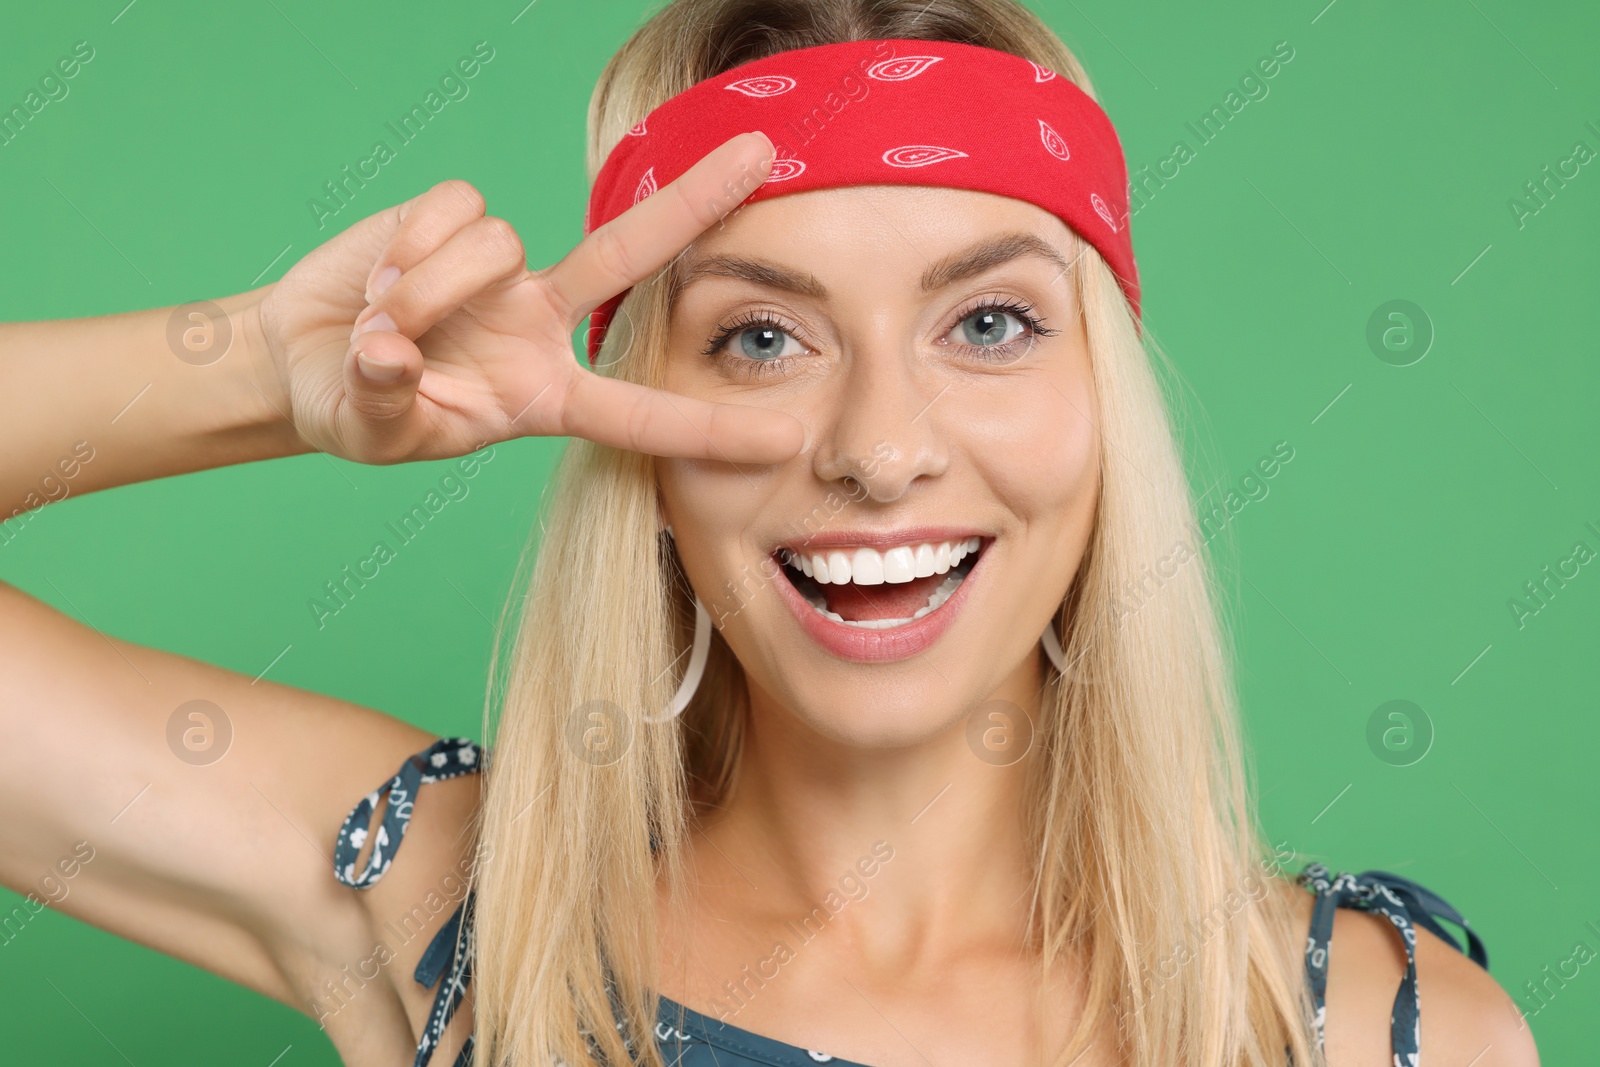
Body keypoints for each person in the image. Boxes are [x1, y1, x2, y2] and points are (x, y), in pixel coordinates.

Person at [0, 1, 1539, 1065]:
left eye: (989, 321)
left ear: (1105, 406)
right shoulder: (445, 912)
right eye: (758, 340)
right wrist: (270, 380)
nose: (877, 451)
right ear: (638, 430)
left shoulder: (1376, 1032)